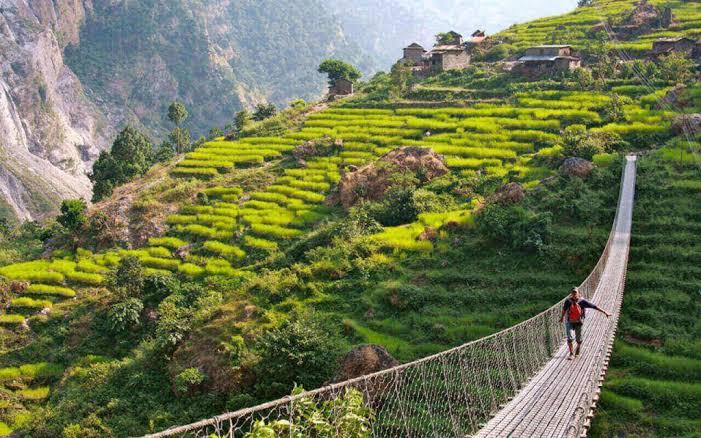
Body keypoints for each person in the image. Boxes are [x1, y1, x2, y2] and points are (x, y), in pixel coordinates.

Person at [559, 287, 611, 360]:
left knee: (579, 340)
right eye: (573, 293)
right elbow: (564, 309)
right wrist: (562, 317)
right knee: (569, 338)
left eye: (575, 293)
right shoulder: (568, 301)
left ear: (578, 293)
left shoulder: (582, 301)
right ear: (571, 294)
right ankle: (571, 354)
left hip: (579, 322)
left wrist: (605, 312)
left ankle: (578, 347)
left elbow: (594, 306)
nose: (574, 294)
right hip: (570, 321)